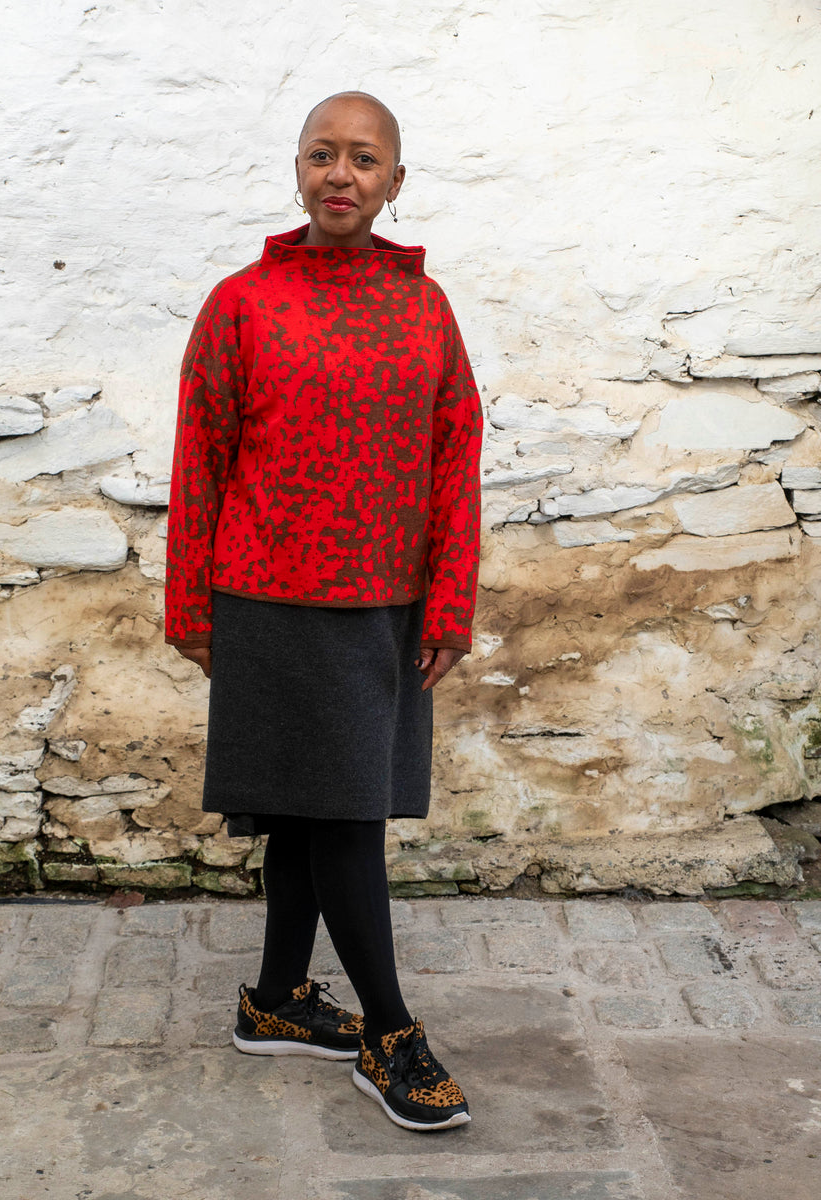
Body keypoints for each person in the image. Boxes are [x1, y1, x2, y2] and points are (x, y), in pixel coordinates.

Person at [165, 90, 483, 1133]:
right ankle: (389, 1033)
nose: (339, 175)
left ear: (397, 180)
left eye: (363, 159)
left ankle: (275, 1000)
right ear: (296, 171)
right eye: (321, 156)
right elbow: (200, 459)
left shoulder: (426, 309)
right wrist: (191, 607)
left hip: (383, 608)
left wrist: (451, 599)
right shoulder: (241, 303)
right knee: (336, 817)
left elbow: (455, 458)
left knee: (321, 812)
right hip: (264, 599)